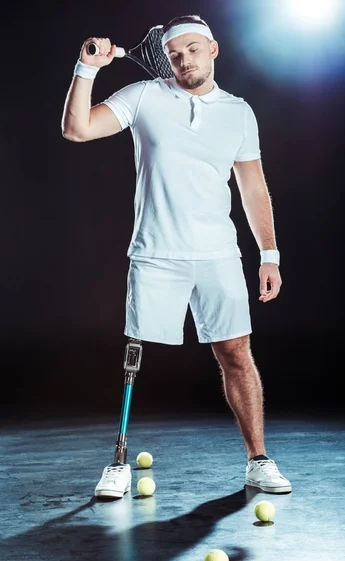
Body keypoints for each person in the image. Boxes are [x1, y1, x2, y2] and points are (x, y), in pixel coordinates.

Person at [61, 14, 292, 498]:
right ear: (167, 58)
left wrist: (267, 253)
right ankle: (119, 463)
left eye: (192, 49)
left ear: (212, 50)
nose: (183, 59)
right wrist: (87, 70)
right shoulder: (144, 96)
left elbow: (253, 186)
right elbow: (77, 129)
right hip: (156, 253)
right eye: (174, 53)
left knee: (236, 354)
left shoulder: (239, 112)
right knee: (134, 357)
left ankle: (259, 460)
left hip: (218, 255)